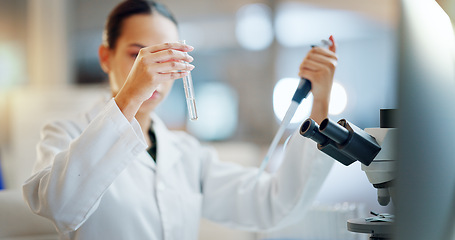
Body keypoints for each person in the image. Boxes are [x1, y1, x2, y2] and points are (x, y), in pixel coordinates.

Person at [22, 0, 338, 239]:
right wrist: (130, 95)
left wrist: (320, 102)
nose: (153, 71)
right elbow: (60, 208)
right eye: (138, 55)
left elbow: (272, 204)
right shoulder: (67, 133)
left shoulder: (186, 154)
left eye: (165, 57)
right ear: (106, 57)